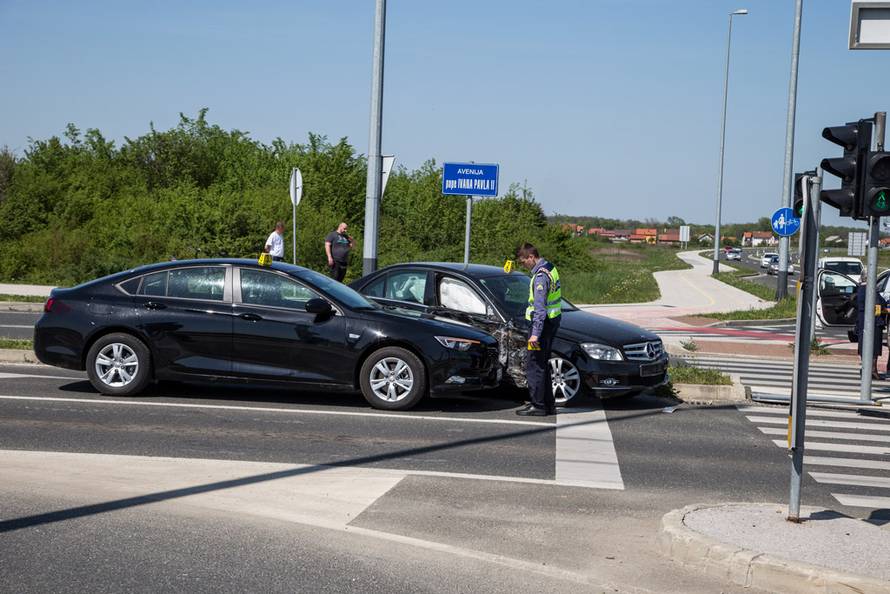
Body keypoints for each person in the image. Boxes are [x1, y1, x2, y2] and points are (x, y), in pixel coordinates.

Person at [515, 242, 561, 416]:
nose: (523, 265)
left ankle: (538, 405)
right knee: (543, 364)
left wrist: (535, 334)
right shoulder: (550, 267)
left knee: (534, 365)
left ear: (531, 257)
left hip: (540, 327)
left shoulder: (540, 278)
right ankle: (548, 404)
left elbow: (540, 310)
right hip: (552, 322)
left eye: (524, 261)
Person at [855, 271, 887, 380]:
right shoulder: (870, 290)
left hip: (862, 321)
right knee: (874, 346)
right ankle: (872, 370)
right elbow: (880, 303)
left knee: (864, 344)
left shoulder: (860, 289)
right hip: (872, 322)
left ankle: (866, 369)